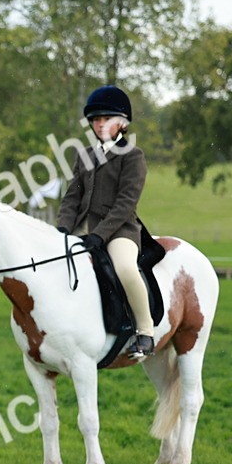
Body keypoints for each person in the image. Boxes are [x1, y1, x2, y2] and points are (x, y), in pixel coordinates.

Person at [56, 85, 154, 359]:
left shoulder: (132, 156)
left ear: (122, 123)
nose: (100, 124)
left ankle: (145, 331)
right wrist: (62, 229)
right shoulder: (85, 154)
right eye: (96, 120)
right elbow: (72, 197)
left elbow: (126, 202)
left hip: (119, 231)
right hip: (83, 229)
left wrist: (100, 234)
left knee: (125, 268)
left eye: (107, 119)